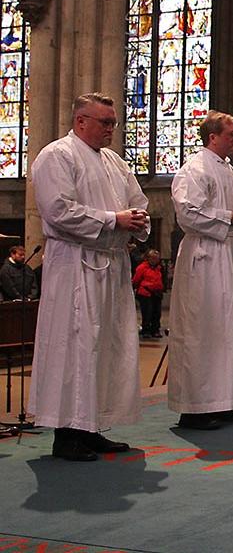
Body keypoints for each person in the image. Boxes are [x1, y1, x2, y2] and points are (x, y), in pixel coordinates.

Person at [29, 92, 149, 461]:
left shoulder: (114, 161)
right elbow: (58, 210)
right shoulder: (56, 156)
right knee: (75, 344)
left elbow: (138, 201)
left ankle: (92, 425)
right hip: (75, 265)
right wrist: (115, 220)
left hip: (111, 263)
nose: (111, 129)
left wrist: (136, 220)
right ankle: (66, 433)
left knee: (107, 345)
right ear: (80, 121)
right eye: (105, 122)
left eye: (113, 122)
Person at [168, 111, 233, 430]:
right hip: (206, 255)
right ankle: (195, 408)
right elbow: (188, 214)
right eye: (231, 133)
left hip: (232, 253)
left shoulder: (229, 170)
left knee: (230, 327)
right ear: (213, 137)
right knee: (204, 329)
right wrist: (231, 218)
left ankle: (224, 399)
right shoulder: (194, 168)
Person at [131, 249, 164, 338]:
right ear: (148, 258)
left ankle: (155, 330)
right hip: (145, 293)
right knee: (147, 313)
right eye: (153, 258)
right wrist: (134, 287)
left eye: (157, 258)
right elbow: (136, 280)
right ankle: (146, 330)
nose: (155, 260)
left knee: (157, 313)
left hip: (157, 294)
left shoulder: (159, 268)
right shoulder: (142, 267)